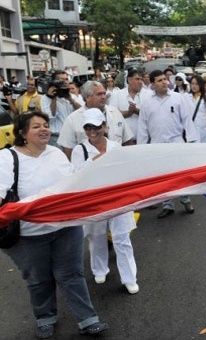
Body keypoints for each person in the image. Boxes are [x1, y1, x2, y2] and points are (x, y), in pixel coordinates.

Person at [0, 112, 108, 338]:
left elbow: (71, 182)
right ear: (22, 132)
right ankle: (45, 317)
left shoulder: (57, 153)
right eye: (36, 126)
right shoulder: (7, 158)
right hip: (29, 234)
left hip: (66, 228)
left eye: (46, 125)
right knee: (39, 279)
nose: (44, 129)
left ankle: (88, 320)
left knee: (72, 274)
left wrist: (92, 166)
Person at [71, 108, 139, 295]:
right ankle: (99, 269)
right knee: (96, 236)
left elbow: (127, 172)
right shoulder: (80, 149)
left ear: (105, 126)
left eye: (97, 127)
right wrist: (95, 160)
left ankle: (129, 278)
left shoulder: (116, 147)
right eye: (88, 128)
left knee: (122, 238)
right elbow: (76, 175)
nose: (93, 132)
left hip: (117, 197)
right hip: (94, 199)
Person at [137, 70, 199, 218]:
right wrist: (141, 148)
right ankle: (167, 204)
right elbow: (142, 127)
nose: (164, 82)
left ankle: (186, 199)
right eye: (159, 80)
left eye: (165, 79)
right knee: (163, 176)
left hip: (176, 142)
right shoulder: (147, 103)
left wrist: (192, 141)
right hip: (157, 144)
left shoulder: (177, 98)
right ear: (152, 84)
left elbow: (187, 120)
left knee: (180, 174)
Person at [57, 81, 134, 160]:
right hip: (89, 167)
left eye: (104, 93)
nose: (103, 97)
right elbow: (68, 151)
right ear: (87, 97)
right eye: (99, 94)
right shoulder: (72, 119)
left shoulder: (115, 112)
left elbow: (127, 141)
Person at [40, 71, 81, 146]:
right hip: (57, 137)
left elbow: (82, 112)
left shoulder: (72, 96)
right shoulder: (45, 98)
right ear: (54, 82)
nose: (65, 82)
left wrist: (70, 99)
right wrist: (53, 98)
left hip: (73, 135)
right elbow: (50, 117)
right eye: (61, 80)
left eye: (66, 79)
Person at [108, 69, 148, 141]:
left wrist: (136, 111)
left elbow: (150, 114)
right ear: (129, 80)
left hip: (144, 140)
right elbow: (111, 115)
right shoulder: (117, 95)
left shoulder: (148, 94)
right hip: (124, 141)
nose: (140, 82)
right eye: (137, 79)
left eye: (141, 79)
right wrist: (128, 113)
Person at [188, 75, 206, 143]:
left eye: (196, 84)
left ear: (200, 85)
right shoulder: (187, 97)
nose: (194, 86)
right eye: (192, 84)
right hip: (190, 129)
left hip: (203, 129)